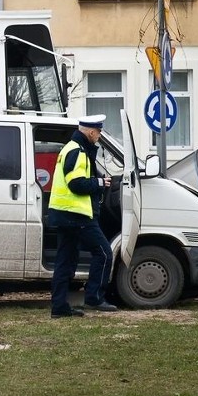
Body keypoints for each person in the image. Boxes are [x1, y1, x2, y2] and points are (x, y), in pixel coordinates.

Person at [48, 114, 118, 318]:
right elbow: (76, 184)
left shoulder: (71, 148)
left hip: (65, 214)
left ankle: (59, 307)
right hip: (76, 215)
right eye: (98, 132)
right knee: (104, 253)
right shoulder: (77, 152)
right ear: (89, 132)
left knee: (65, 261)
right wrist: (99, 183)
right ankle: (94, 298)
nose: (99, 136)